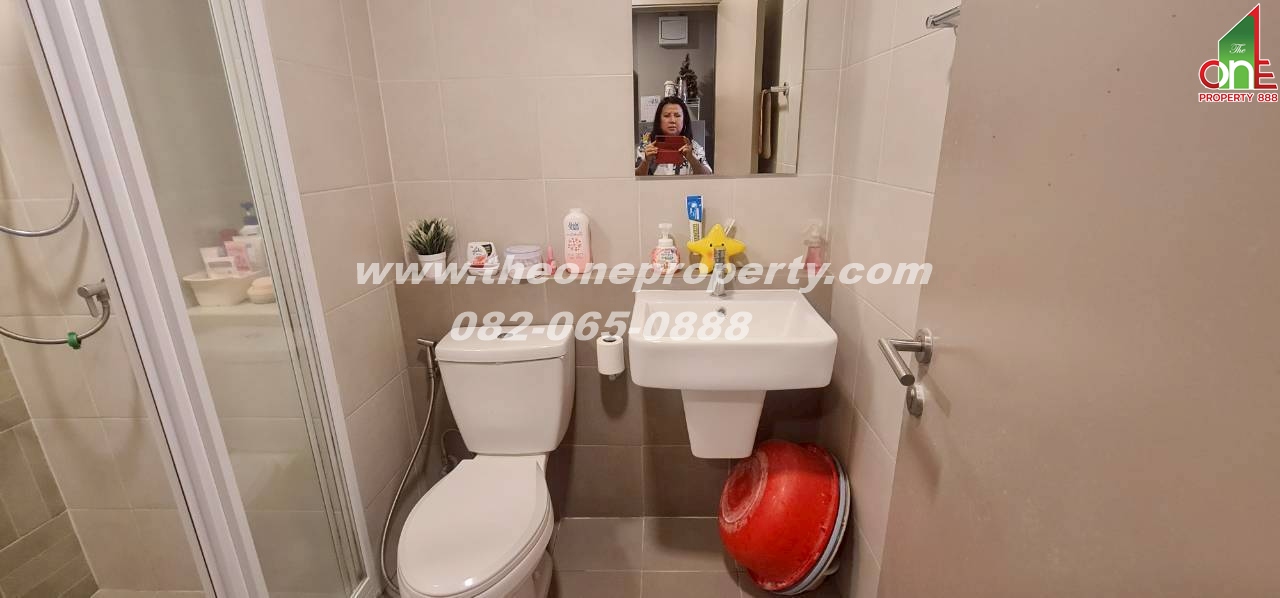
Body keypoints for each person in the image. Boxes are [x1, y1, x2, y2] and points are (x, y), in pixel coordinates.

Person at [635, 97, 712, 176]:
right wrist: (646, 161)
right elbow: (634, 177)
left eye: (677, 115)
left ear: (684, 120)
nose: (672, 120)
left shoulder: (694, 147)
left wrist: (692, 158)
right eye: (666, 116)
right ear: (659, 120)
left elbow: (707, 176)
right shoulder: (646, 147)